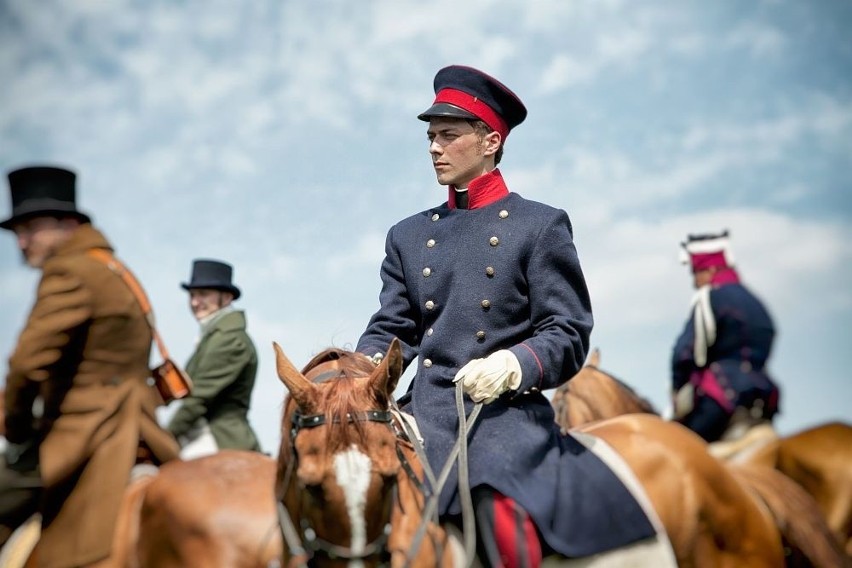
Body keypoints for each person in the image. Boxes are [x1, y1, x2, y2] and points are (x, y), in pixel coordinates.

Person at [357, 65, 655, 566]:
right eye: (431, 136)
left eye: (449, 135)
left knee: (498, 503)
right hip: (424, 411)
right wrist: (356, 371)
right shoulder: (406, 235)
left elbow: (568, 331)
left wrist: (516, 364)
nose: (434, 147)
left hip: (503, 413)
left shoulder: (539, 225)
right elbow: (393, 327)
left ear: (490, 140)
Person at [0, 165, 180, 566]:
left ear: (67, 223)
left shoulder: (70, 271)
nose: (22, 241)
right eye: (17, 232)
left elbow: (26, 364)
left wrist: (16, 433)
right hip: (143, 428)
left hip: (87, 430)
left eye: (31, 228)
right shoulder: (116, 270)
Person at [671, 230, 781, 443]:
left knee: (678, 452)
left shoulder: (709, 297)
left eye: (697, 272)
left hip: (721, 395)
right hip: (764, 397)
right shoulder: (756, 302)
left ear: (711, 269)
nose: (695, 281)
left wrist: (677, 390)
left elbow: (684, 353)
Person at [166, 259, 261, 458]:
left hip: (218, 437)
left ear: (226, 297)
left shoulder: (230, 339)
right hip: (198, 433)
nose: (194, 302)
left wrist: (164, 435)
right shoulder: (212, 337)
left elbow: (199, 399)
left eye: (203, 294)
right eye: (192, 295)